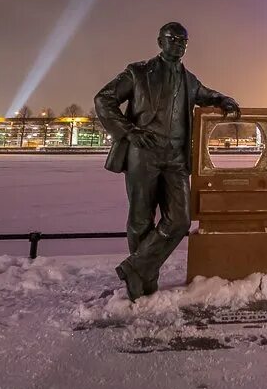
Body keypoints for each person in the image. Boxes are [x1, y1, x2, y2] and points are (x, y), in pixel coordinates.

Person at [94, 21, 240, 300]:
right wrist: (129, 131)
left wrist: (223, 100)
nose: (178, 44)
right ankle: (143, 283)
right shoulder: (138, 73)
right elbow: (103, 99)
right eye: (172, 39)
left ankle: (135, 267)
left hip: (175, 159)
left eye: (183, 40)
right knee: (141, 219)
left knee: (180, 220)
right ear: (160, 41)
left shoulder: (189, 80)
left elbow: (206, 95)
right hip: (143, 155)